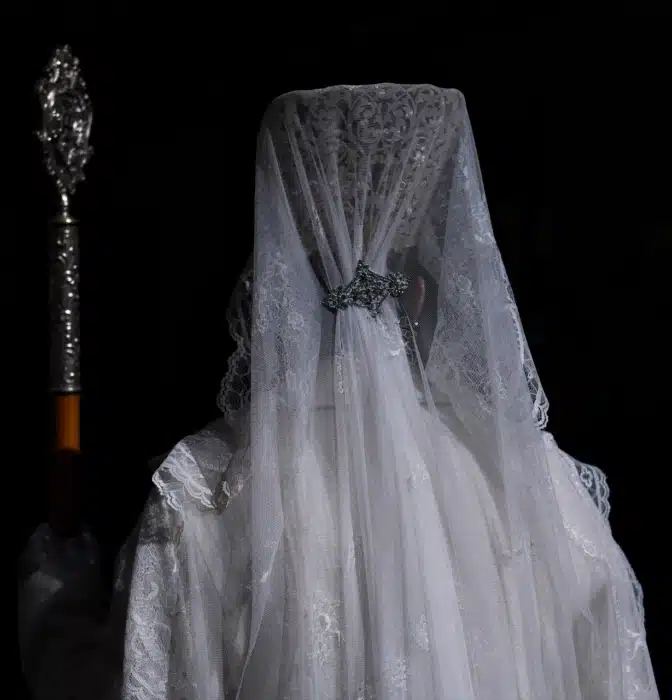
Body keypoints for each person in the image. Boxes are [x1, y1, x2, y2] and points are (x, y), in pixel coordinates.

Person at [18, 84, 659, 699]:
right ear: (420, 292)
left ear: (275, 280)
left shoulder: (205, 498)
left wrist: (58, 600)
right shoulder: (540, 492)